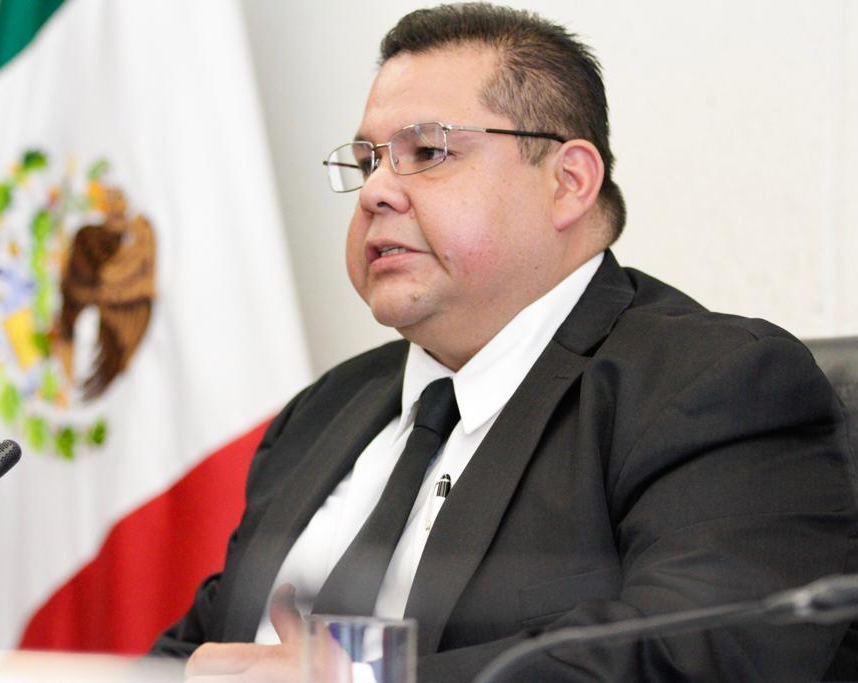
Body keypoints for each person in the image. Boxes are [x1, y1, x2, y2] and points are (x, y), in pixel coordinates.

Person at [151, 3, 857, 680]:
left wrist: (366, 679)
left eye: (426, 151)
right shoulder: (323, 410)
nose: (375, 193)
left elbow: (696, 656)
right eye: (367, 162)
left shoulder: (714, 385)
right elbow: (203, 649)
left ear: (569, 182)